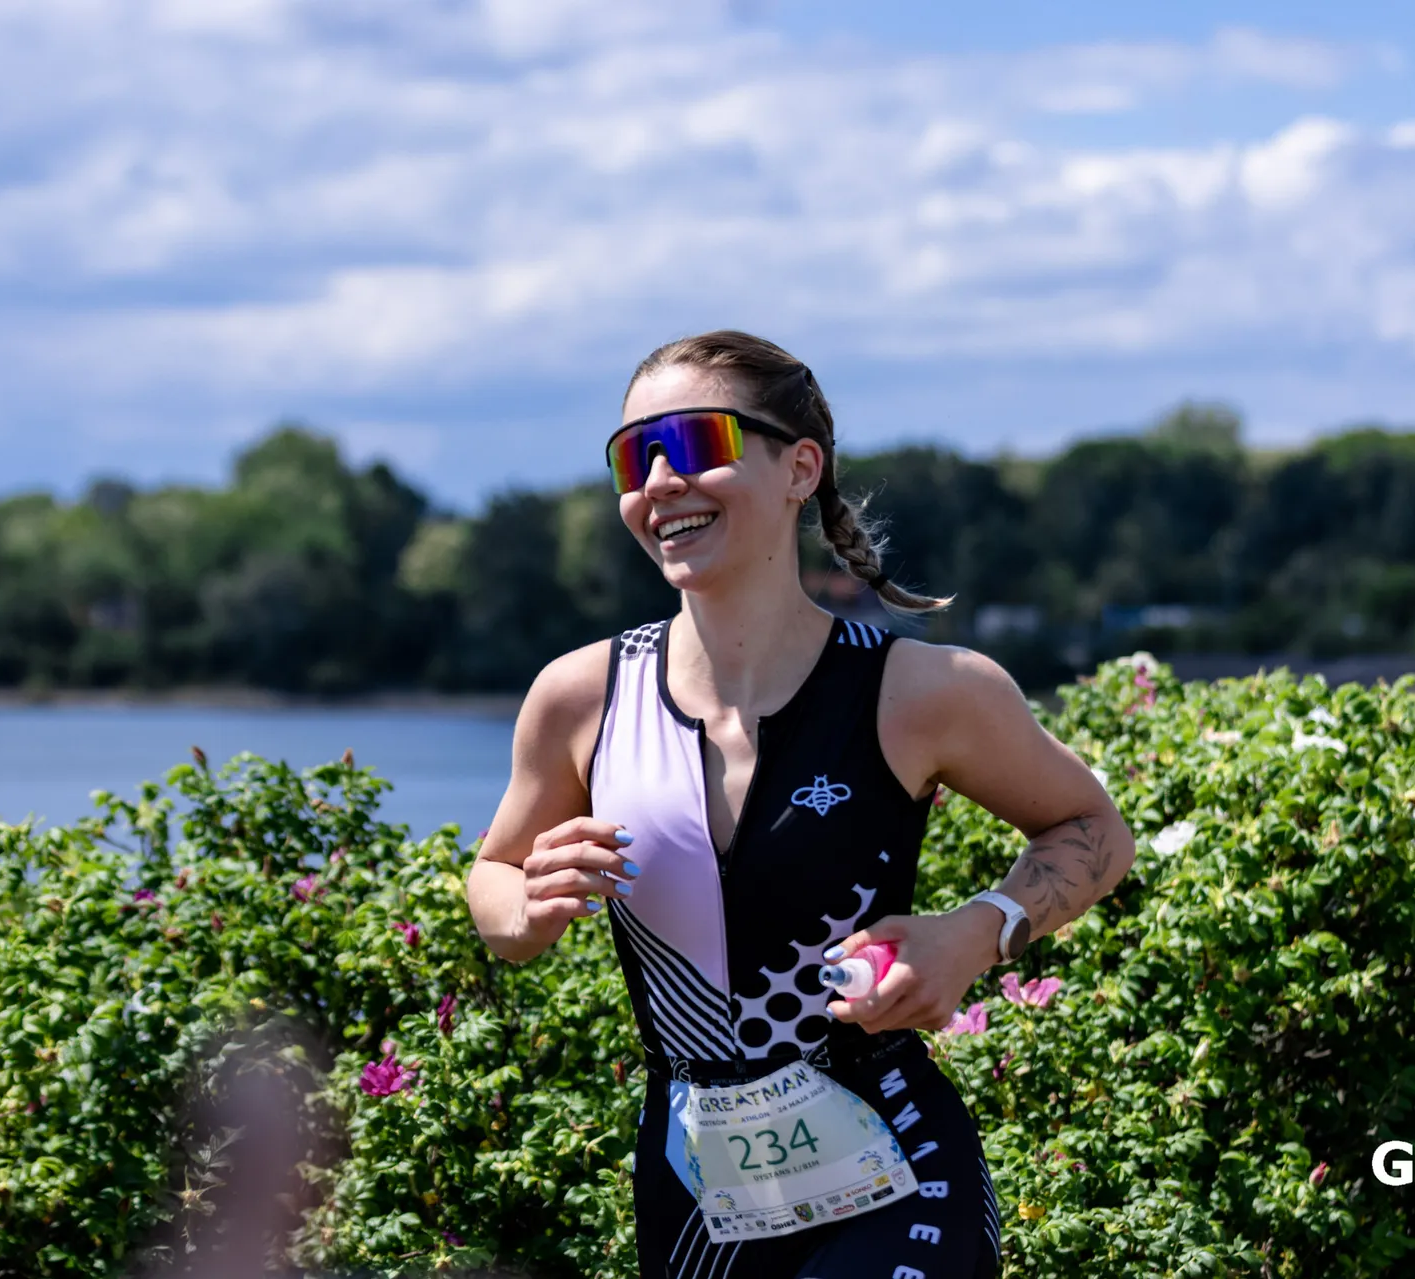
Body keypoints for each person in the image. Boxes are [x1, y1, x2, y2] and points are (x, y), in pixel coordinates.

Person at [467, 330, 1136, 1279]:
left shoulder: (924, 690)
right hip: (694, 1199)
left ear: (799, 468)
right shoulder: (582, 699)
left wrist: (978, 931)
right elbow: (495, 874)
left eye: (696, 443)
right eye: (633, 456)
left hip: (900, 1170)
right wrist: (523, 909)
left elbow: (1095, 829)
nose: (658, 480)